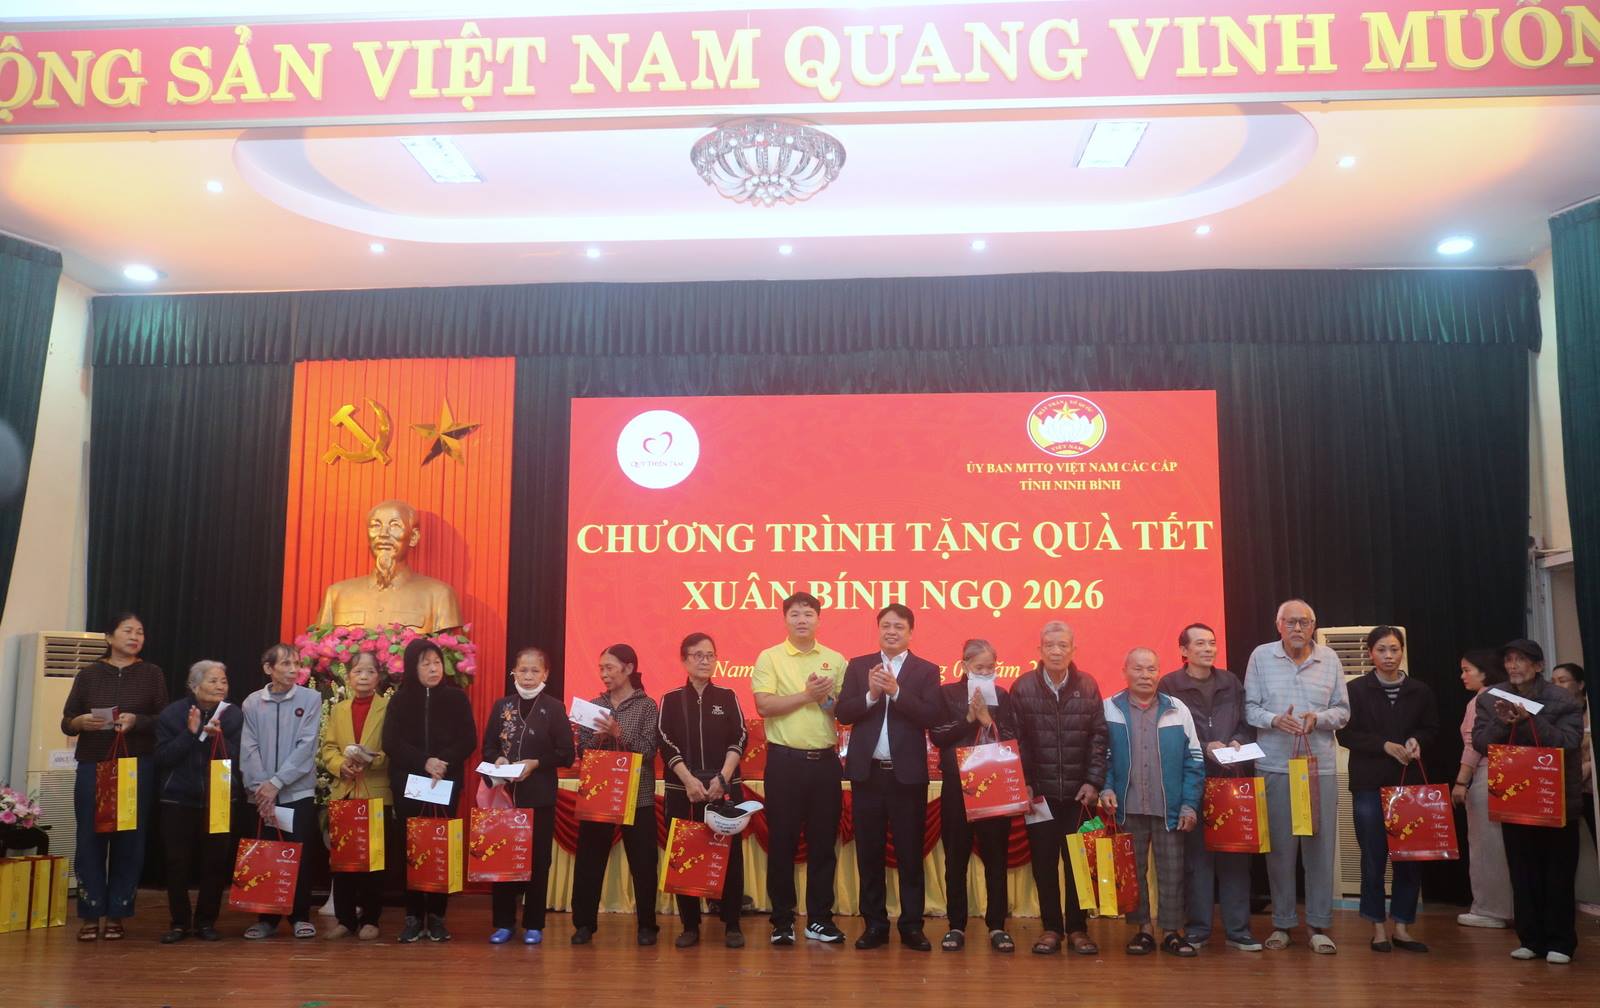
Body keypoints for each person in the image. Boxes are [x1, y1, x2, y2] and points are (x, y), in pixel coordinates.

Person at [1243, 599, 1349, 954]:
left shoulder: (1329, 659)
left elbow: (1343, 711)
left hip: (1319, 766)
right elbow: (1249, 709)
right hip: (1274, 765)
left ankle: (1318, 924)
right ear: (1279, 626)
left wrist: (1318, 719)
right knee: (1280, 851)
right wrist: (1275, 720)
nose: (1297, 628)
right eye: (1290, 622)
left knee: (1320, 848)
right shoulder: (1261, 656)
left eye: (1304, 622)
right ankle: (1283, 924)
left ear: (1314, 625)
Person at [836, 605, 942, 952]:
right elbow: (843, 712)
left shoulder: (926, 670)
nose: (892, 631)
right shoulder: (859, 666)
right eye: (886, 626)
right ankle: (875, 925)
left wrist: (896, 691)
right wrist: (870, 694)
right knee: (869, 853)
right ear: (878, 629)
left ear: (911, 632)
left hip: (906, 778)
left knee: (910, 853)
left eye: (899, 626)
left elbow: (931, 715)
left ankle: (912, 926)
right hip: (867, 775)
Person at [1472, 638, 1586, 964]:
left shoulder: (1561, 699)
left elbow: (1569, 742)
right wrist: (1503, 721)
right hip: (1515, 799)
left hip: (1557, 800)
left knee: (1558, 873)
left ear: (1538, 666)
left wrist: (1530, 720)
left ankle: (1560, 942)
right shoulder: (1492, 697)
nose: (1513, 666)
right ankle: (1530, 940)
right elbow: (1480, 742)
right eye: (1509, 660)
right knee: (1522, 873)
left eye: (1521, 660)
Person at [1001, 620, 1108, 957]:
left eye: (1063, 645)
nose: (1057, 651)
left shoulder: (1088, 686)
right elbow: (1016, 740)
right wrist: (1025, 783)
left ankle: (1077, 928)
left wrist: (1093, 781)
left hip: (1080, 795)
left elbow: (1099, 737)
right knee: (1044, 863)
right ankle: (1051, 927)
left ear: (1073, 650)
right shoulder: (1022, 687)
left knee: (1078, 863)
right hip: (1040, 796)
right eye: (1050, 645)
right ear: (1040, 650)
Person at [60, 612, 169, 941]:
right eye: (128, 631)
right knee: (90, 838)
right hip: (93, 764)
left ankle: (118, 913)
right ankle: (91, 912)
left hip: (135, 766)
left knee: (129, 840)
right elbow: (67, 720)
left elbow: (164, 719)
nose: (135, 637)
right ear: (109, 637)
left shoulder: (152, 673)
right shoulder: (89, 674)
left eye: (140, 632)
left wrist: (138, 721)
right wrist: (79, 723)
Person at [751, 591, 848, 946]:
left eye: (808, 613)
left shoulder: (835, 659)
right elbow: (764, 706)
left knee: (823, 844)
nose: (802, 619)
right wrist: (807, 695)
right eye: (795, 614)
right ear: (785, 619)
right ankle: (782, 921)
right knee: (783, 842)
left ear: (818, 619)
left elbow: (842, 711)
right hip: (784, 763)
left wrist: (825, 699)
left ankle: (819, 919)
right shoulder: (770, 657)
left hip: (824, 764)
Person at [1158, 622, 1261, 952]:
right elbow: (1168, 731)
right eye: (1200, 643)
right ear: (1184, 651)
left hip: (1232, 778)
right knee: (1197, 860)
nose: (1208, 649)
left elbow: (1247, 723)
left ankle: (1238, 930)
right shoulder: (1169, 684)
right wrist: (1204, 747)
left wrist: (1238, 740)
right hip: (1192, 779)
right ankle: (1198, 928)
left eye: (1212, 643)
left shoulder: (1230, 681)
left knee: (1235, 858)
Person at [1337, 626, 1437, 953]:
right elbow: (1345, 735)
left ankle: (1403, 927)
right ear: (1370, 653)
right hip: (1368, 783)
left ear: (1402, 651)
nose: (1389, 656)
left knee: (1409, 857)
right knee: (1373, 856)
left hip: (1408, 785)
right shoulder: (1355, 689)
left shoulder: (1420, 690)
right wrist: (1384, 745)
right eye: (1381, 650)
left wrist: (1417, 741)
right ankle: (1378, 927)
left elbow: (1431, 729)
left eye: (1394, 649)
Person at [1102, 647, 1204, 958]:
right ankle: (1143, 930)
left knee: (1172, 872)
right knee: (1133, 873)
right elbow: (1102, 757)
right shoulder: (1109, 708)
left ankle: (1172, 932)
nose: (1145, 675)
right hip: (1126, 806)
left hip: (1168, 807)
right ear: (1124, 671)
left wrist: (1189, 804)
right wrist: (1106, 788)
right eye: (1138, 669)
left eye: (1151, 669)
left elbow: (1194, 760)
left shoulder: (1178, 709)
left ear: (1159, 672)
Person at [657, 633, 748, 949]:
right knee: (685, 854)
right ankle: (690, 925)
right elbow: (664, 741)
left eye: (710, 655)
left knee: (730, 856)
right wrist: (688, 781)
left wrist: (722, 778)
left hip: (723, 788)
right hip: (683, 789)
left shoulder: (727, 696)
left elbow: (740, 737)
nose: (705, 661)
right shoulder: (670, 699)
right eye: (698, 655)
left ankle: (732, 923)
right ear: (684, 660)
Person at [384, 638, 477, 943]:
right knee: (411, 849)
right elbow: (391, 742)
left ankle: (437, 916)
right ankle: (412, 916)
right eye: (426, 664)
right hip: (410, 784)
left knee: (440, 847)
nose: (434, 669)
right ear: (413, 667)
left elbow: (468, 739)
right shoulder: (400, 700)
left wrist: (442, 762)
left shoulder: (456, 698)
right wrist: (424, 761)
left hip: (443, 784)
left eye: (437, 662)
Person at [480, 646, 573, 945]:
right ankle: (504, 923)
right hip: (504, 797)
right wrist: (498, 759)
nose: (529, 676)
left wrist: (536, 763)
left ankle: (534, 924)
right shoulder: (502, 706)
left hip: (539, 797)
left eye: (535, 670)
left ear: (546, 674)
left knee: (538, 860)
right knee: (503, 858)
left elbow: (566, 754)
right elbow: (488, 747)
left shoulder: (555, 708)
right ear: (514, 672)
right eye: (523, 670)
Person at [928, 639, 1015, 953]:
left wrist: (987, 720)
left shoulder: (1002, 696)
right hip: (957, 784)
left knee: (996, 858)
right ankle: (956, 925)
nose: (985, 672)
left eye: (990, 667)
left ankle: (997, 926)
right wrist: (968, 717)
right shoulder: (947, 694)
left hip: (993, 783)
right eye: (979, 667)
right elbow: (938, 736)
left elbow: (1012, 738)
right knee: (956, 858)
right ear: (964, 665)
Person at [571, 643, 660, 947]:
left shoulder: (647, 706)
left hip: (638, 795)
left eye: (609, 668)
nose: (604, 674)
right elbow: (582, 751)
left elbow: (649, 751)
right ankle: (584, 924)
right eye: (601, 669)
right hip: (599, 793)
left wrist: (618, 732)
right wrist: (596, 738)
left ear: (629, 668)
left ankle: (647, 925)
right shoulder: (594, 705)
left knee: (644, 862)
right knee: (589, 860)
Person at [153, 659, 242, 943]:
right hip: (178, 799)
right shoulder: (172, 714)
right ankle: (179, 923)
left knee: (215, 863)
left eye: (224, 681)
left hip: (219, 798)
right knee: (176, 863)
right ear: (194, 685)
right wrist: (190, 734)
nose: (220, 686)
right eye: (213, 680)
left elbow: (238, 757)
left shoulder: (232, 715)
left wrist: (218, 739)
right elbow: (162, 758)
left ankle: (206, 922)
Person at [240, 643, 323, 939]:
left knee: (298, 854)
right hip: (261, 795)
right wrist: (261, 788)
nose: (293, 670)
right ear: (268, 668)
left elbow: (306, 746)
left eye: (296, 664)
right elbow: (249, 748)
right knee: (266, 855)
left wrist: (276, 783)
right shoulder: (252, 702)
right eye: (286, 664)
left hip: (296, 793)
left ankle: (300, 916)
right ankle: (266, 918)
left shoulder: (311, 698)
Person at [319, 650, 393, 941]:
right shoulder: (339, 709)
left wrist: (370, 759)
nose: (363, 677)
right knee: (343, 862)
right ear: (348, 677)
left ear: (379, 677)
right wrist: (341, 765)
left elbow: (393, 747)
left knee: (373, 861)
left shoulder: (388, 707)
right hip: (345, 792)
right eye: (358, 671)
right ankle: (345, 919)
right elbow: (328, 748)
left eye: (370, 671)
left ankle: (371, 919)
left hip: (375, 793)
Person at [316, 499, 462, 632]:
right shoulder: (337, 594)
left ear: (413, 537)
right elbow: (319, 645)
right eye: (376, 526)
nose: (383, 534)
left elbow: (449, 650)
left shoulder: (439, 596)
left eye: (394, 526)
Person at [1451, 648, 1513, 928]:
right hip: (1510, 775)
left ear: (1485, 672)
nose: (1462, 676)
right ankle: (1511, 908)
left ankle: (1490, 909)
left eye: (1467, 670)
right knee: (1507, 847)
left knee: (1486, 846)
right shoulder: (1508, 696)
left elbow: (1473, 745)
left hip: (1486, 775)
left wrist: (1461, 782)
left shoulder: (1481, 700)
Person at [1549, 663, 1594, 849]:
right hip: (1564, 787)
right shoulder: (1551, 713)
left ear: (1580, 684)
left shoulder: (1591, 711)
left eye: (1562, 681)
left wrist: (1589, 766)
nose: (1556, 686)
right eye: (1553, 682)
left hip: (1591, 788)